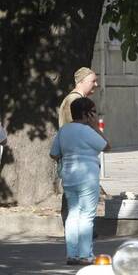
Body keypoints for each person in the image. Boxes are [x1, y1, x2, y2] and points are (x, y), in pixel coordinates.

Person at [50, 97, 108, 265]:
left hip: (69, 176)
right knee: (87, 216)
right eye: (94, 112)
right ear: (86, 113)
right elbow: (106, 146)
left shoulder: (64, 131)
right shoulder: (88, 131)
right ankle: (85, 255)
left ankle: (72, 254)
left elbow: (54, 153)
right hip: (87, 176)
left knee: (73, 214)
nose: (96, 115)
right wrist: (96, 127)